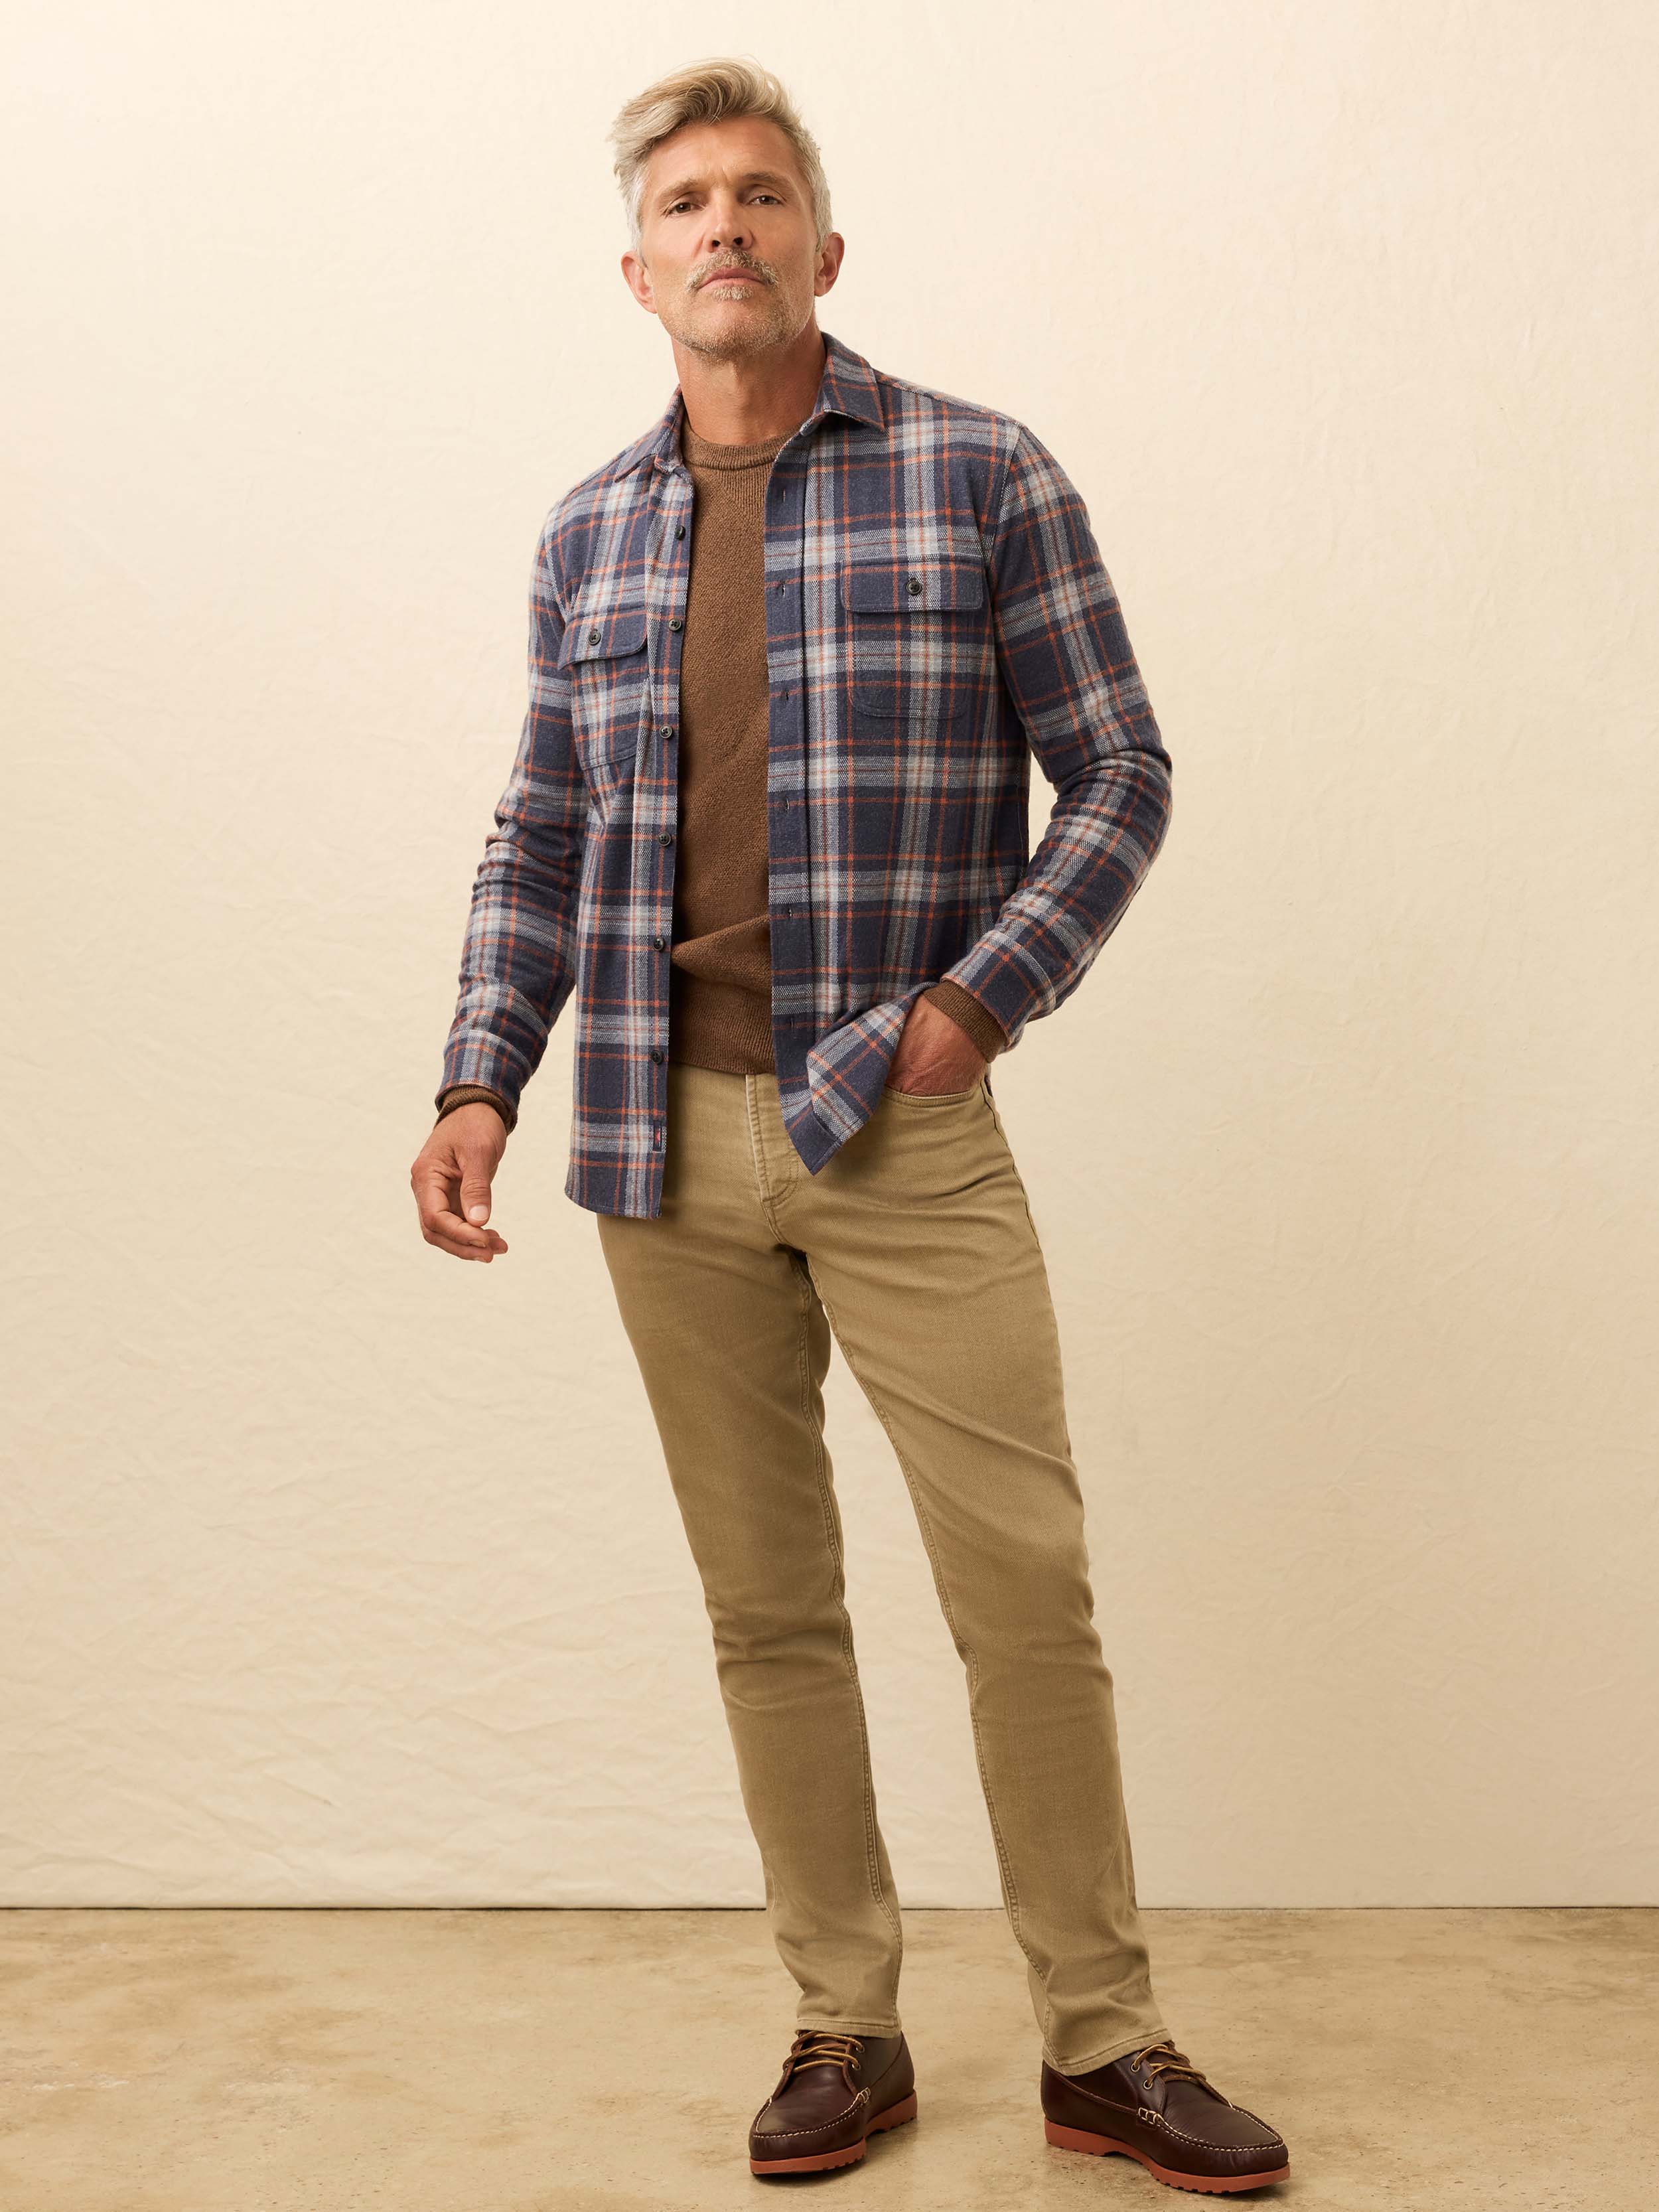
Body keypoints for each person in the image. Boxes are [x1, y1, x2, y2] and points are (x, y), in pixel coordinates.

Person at [409, 55, 1289, 2197]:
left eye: (762, 192)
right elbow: (539, 835)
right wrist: (475, 1074)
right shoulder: (588, 532)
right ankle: (845, 2025)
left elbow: (1122, 774)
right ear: (639, 273)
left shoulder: (977, 474)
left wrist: (976, 1005)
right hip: (652, 1139)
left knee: (1022, 1592)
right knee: (766, 1612)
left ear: (823, 247)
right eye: (688, 201)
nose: (726, 225)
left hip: (898, 1129)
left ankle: (1102, 2037)